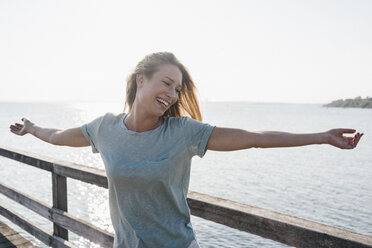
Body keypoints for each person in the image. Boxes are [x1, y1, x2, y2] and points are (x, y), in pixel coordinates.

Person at [9, 52, 363, 248]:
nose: (173, 94)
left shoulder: (183, 133)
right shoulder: (104, 128)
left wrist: (320, 136)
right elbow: (58, 136)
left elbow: (255, 135)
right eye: (166, 83)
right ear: (140, 79)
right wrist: (32, 129)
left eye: (177, 89)